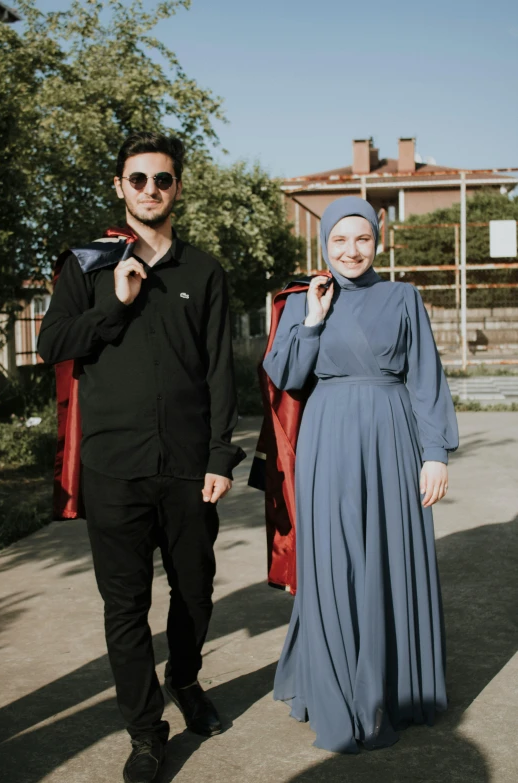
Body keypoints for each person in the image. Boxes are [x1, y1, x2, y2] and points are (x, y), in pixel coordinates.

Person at [38, 131, 245, 783]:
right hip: (113, 467)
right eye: (138, 179)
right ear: (119, 187)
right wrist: (115, 305)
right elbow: (52, 344)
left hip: (188, 467)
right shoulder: (88, 263)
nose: (150, 190)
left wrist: (220, 455)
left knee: (196, 592)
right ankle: (145, 731)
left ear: (177, 186)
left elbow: (219, 369)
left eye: (162, 179)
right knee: (124, 606)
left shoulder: (205, 270)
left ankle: (185, 678)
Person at [262, 196, 458, 753]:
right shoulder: (305, 298)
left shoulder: (403, 297)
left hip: (393, 437)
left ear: (379, 242)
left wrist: (436, 452)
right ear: (323, 244)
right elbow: (287, 377)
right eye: (340, 240)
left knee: (387, 559)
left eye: (363, 239)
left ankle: (388, 694)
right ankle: (336, 688)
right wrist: (315, 320)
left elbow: (426, 378)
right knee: (334, 561)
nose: (352, 251)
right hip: (327, 441)